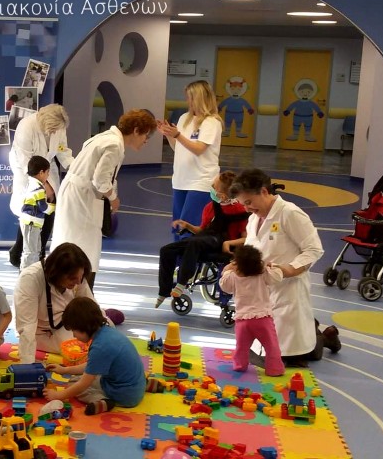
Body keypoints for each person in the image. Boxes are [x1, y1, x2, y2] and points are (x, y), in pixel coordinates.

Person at [229, 168, 341, 368]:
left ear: (264, 191)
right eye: (243, 204)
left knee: (290, 355)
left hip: (289, 289)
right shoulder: (253, 219)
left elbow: (314, 249)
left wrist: (288, 269)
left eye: (249, 202)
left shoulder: (290, 213)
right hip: (262, 292)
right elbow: (252, 249)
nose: (246, 208)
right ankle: (314, 330)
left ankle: (326, 337)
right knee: (263, 351)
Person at [51, 109, 157, 283]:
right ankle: (80, 290)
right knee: (82, 249)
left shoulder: (105, 137)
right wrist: (113, 198)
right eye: (147, 135)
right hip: (81, 196)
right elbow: (100, 179)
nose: (146, 141)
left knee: (71, 244)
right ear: (136, 130)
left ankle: (74, 287)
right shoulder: (114, 145)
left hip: (75, 192)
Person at [44, 297, 161, 415]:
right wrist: (65, 370)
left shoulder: (100, 347)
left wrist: (58, 395)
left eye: (74, 330)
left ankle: (102, 401)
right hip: (136, 383)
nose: (74, 335)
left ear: (84, 327)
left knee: (74, 383)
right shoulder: (108, 332)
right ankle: (145, 384)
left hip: (125, 396)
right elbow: (92, 366)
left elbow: (84, 383)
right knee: (96, 374)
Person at [155, 171, 249, 308]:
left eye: (213, 186)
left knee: (194, 243)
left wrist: (229, 243)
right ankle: (164, 291)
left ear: (222, 195)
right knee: (166, 250)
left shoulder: (240, 210)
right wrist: (187, 225)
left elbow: (246, 239)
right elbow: (202, 230)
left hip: (221, 241)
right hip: (205, 238)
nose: (211, 188)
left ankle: (182, 282)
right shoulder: (210, 207)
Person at [8, 104, 74, 267]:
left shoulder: (59, 125)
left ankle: (40, 252)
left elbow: (62, 150)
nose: (55, 132)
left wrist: (75, 168)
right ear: (46, 122)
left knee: (51, 207)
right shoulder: (26, 127)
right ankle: (18, 252)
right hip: (26, 170)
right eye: (53, 129)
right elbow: (27, 163)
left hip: (47, 167)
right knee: (31, 210)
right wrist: (44, 186)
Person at [157, 80, 223, 241]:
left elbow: (199, 149)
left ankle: (189, 257)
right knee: (177, 227)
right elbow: (178, 148)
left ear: (200, 98)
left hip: (201, 181)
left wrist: (177, 135)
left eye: (190, 97)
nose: (188, 101)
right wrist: (169, 135)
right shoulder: (184, 118)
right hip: (180, 180)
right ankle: (177, 257)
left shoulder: (211, 122)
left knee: (189, 229)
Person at [14, 242, 97, 364]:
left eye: (81, 277)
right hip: (40, 332)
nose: (78, 282)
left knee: (105, 328)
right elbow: (27, 327)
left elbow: (91, 307)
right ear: (57, 273)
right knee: (80, 348)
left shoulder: (77, 275)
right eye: (73, 279)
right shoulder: (30, 279)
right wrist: (28, 365)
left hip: (66, 324)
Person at [219, 245, 285, 377]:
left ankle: (239, 365)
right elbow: (278, 276)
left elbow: (224, 286)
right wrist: (270, 265)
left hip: (242, 320)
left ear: (237, 263)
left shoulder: (233, 276)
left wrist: (227, 269)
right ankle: (275, 369)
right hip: (262, 319)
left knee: (241, 347)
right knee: (271, 346)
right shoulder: (263, 274)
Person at [19, 156, 55, 269]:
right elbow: (43, 207)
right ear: (41, 173)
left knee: (35, 250)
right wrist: (55, 207)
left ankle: (32, 272)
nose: (48, 175)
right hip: (31, 223)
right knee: (30, 252)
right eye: (47, 172)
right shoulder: (38, 188)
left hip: (33, 223)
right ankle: (25, 274)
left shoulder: (32, 183)